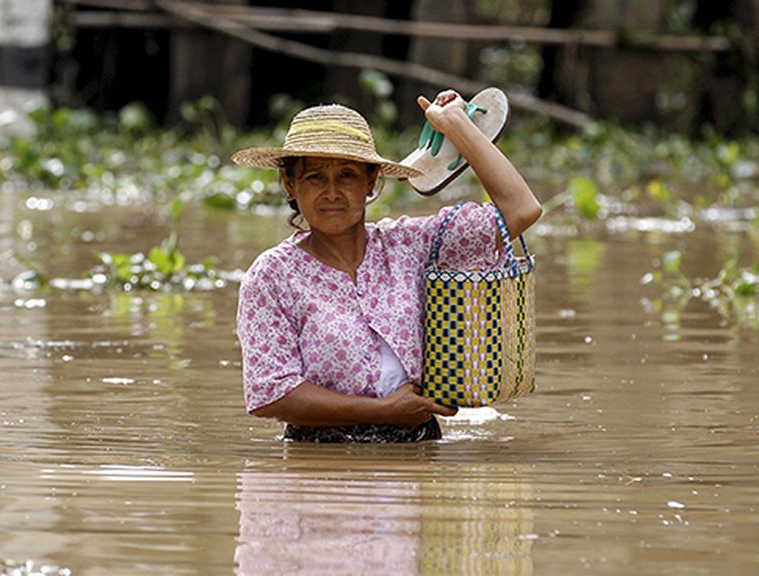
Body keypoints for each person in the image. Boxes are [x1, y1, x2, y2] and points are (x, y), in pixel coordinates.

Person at [232, 90, 542, 442]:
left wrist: (455, 124)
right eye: (315, 177)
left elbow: (520, 209)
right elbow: (271, 394)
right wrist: (383, 411)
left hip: (418, 448)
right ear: (291, 184)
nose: (331, 192)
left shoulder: (410, 246)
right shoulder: (273, 275)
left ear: (370, 182)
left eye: (347, 175)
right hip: (319, 462)